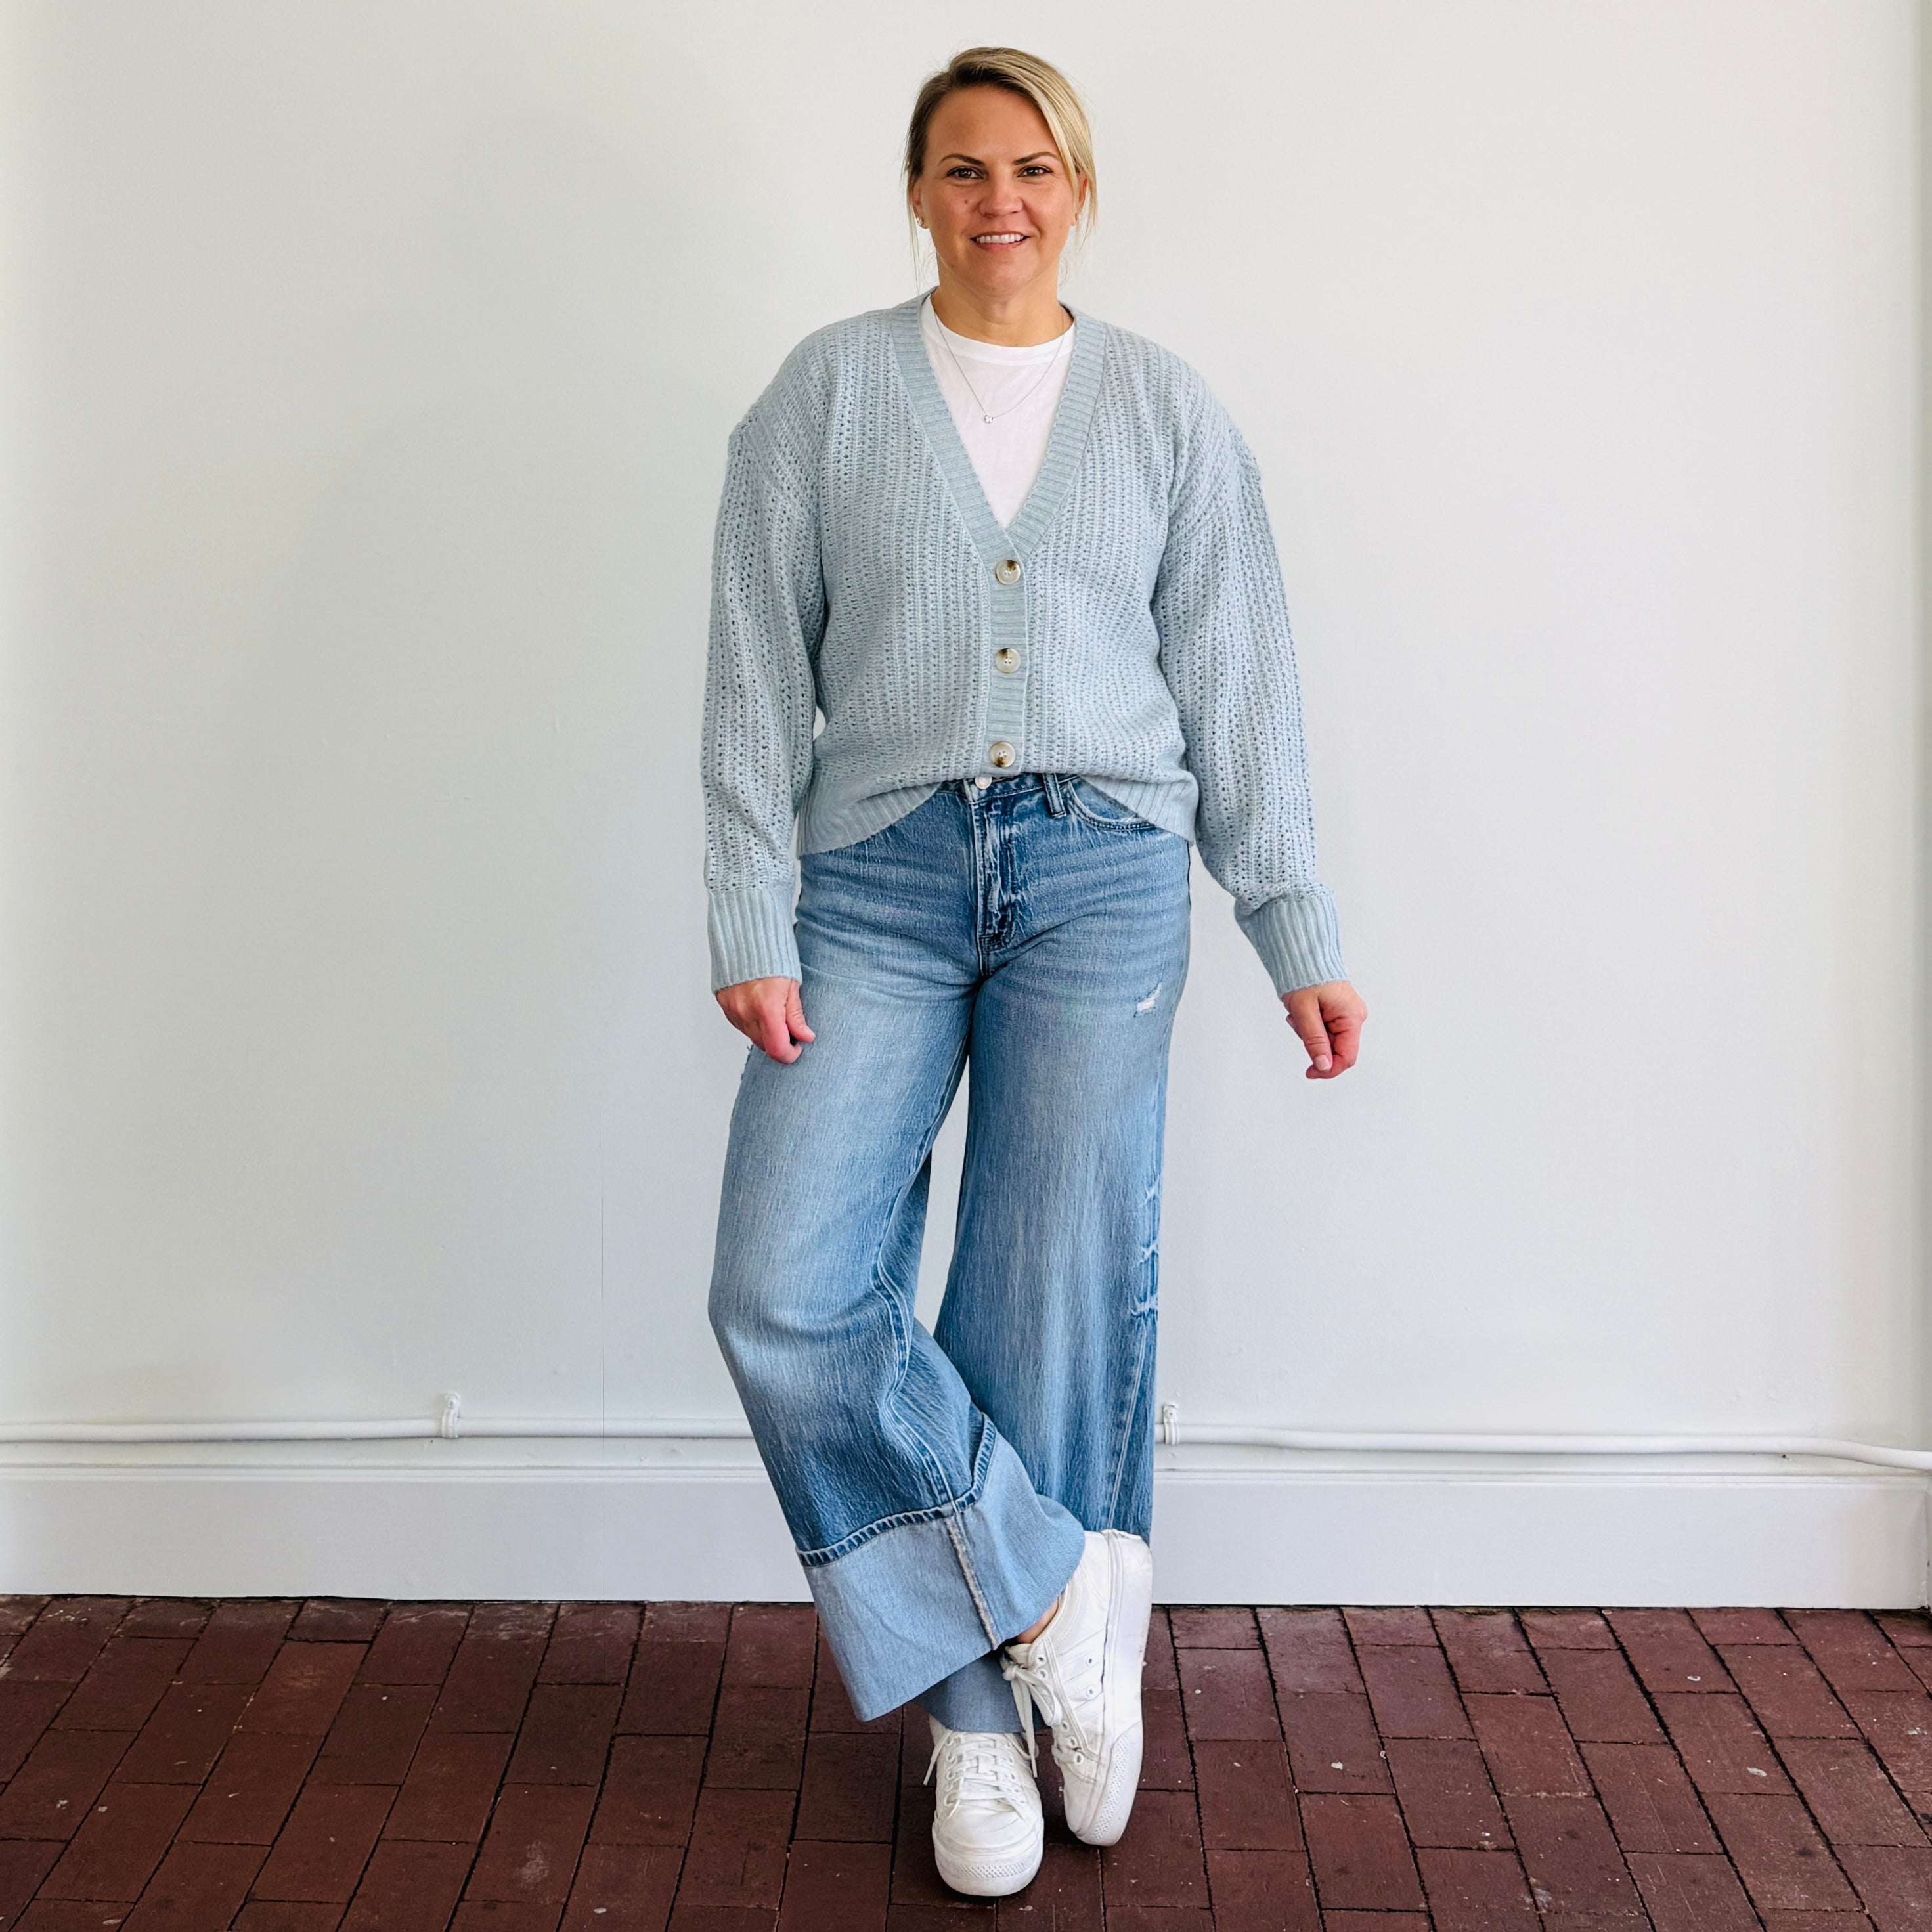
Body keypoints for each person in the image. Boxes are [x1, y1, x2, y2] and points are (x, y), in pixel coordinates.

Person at [699, 45, 1366, 1899]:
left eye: (1034, 168)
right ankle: (1055, 1603)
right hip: (876, 879)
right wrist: (750, 912)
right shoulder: (825, 396)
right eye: (966, 168)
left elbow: (1240, 682)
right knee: (784, 1284)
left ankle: (981, 1725)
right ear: (919, 192)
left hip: (1103, 874)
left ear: (1079, 190)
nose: (1001, 200)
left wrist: (1293, 923)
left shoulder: (1162, 410)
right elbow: (753, 672)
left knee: (1045, 1288)